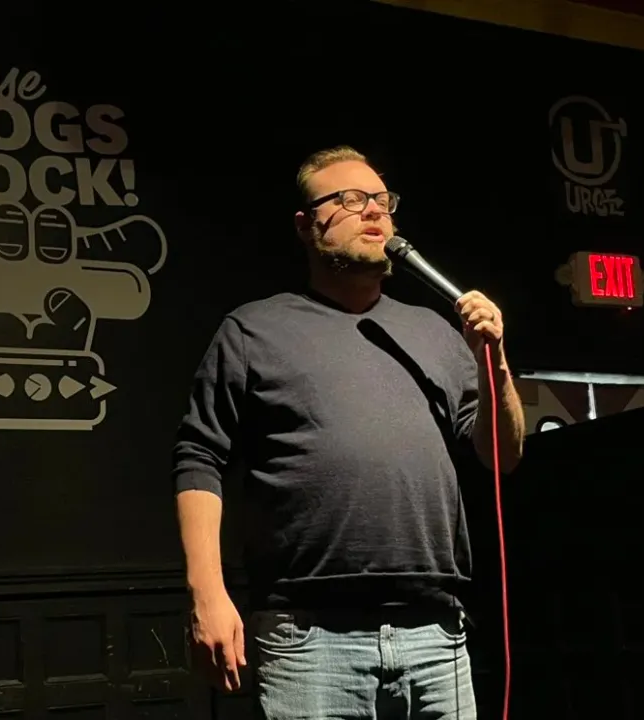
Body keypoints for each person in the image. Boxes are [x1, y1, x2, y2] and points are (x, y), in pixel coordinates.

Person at [171, 145, 526, 719]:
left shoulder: (434, 331)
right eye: (349, 199)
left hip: (437, 634)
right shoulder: (255, 329)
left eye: (383, 200)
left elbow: (501, 455)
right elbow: (198, 456)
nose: (374, 212)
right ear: (306, 225)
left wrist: (498, 361)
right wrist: (206, 594)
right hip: (309, 638)